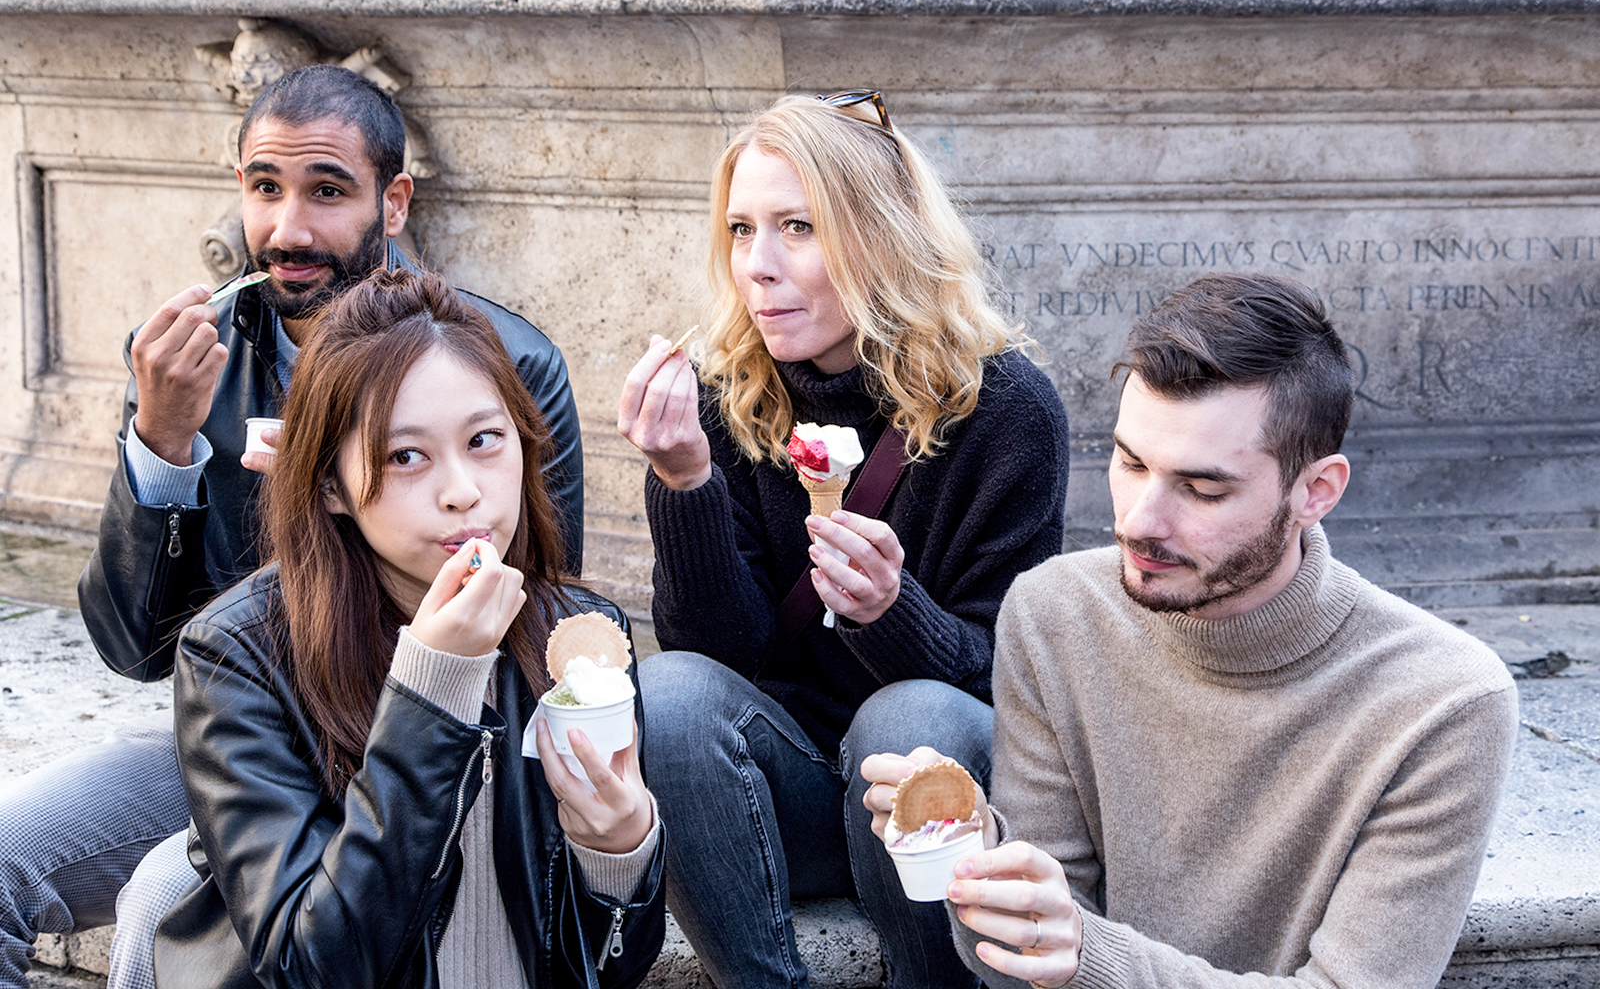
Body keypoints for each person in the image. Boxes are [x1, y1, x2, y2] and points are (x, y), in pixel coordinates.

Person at [0, 64, 583, 989]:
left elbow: (539, 610)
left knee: (164, 898)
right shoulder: (192, 366)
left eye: (326, 192)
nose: (288, 229)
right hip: (249, 738)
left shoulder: (504, 368)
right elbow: (131, 649)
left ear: (392, 204)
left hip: (428, 740)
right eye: (264, 189)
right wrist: (164, 441)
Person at [862, 272, 1520, 989]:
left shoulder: (1445, 701)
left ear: (1317, 492)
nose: (1140, 522)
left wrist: (1088, 953)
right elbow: (1030, 964)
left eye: (1203, 489)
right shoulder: (1055, 612)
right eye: (1130, 461)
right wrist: (989, 862)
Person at [616, 92, 1070, 989]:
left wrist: (893, 615)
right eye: (742, 232)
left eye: (798, 227)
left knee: (906, 717)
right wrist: (685, 484)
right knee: (660, 692)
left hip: (934, 785)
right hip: (784, 795)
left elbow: (1012, 682)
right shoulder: (725, 400)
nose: (760, 268)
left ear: (881, 234)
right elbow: (722, 661)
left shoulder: (1006, 411)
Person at [151, 267, 661, 988]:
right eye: (407, 456)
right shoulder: (238, 657)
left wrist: (621, 851)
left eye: (486, 439)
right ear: (329, 485)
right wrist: (433, 688)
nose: (464, 492)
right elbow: (314, 965)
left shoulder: (579, 634)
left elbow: (612, 967)